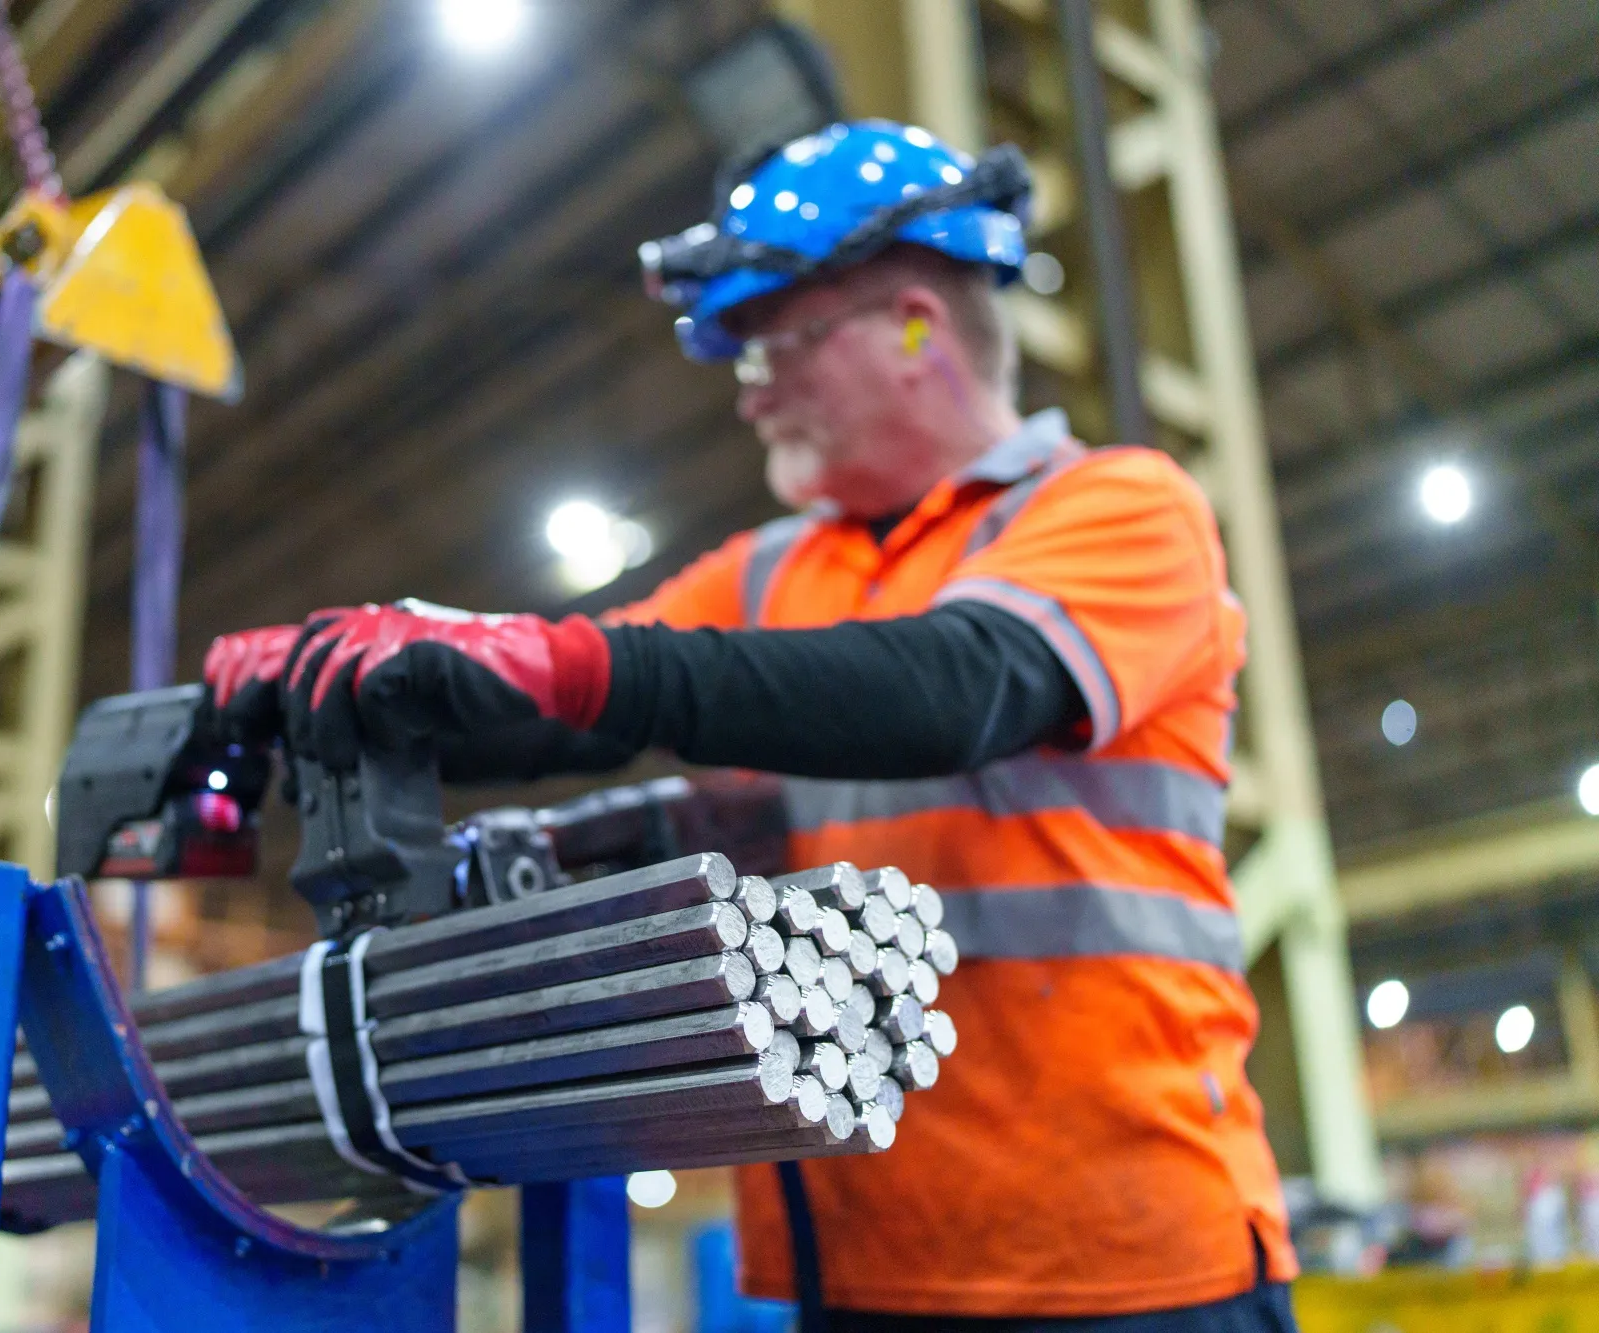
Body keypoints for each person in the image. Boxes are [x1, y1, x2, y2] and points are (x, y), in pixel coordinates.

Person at [204, 120, 1298, 1332]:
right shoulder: (776, 570)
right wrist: (345, 686)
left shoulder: (1118, 506)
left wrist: (572, 665)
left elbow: (947, 686)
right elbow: (565, 706)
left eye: (780, 342)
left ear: (919, 322)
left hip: (1124, 1263)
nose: (752, 389)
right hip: (863, 1264)